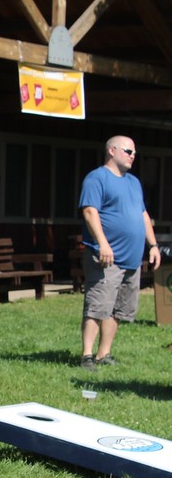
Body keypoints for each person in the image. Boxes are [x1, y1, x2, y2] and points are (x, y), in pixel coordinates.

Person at [78, 135, 161, 371]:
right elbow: (90, 212)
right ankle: (86, 355)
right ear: (112, 151)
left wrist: (153, 245)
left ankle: (103, 354)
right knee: (97, 305)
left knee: (118, 309)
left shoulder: (134, 182)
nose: (133, 156)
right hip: (106, 257)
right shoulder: (96, 178)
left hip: (131, 259)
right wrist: (103, 243)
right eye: (128, 151)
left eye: (134, 153)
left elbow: (143, 214)